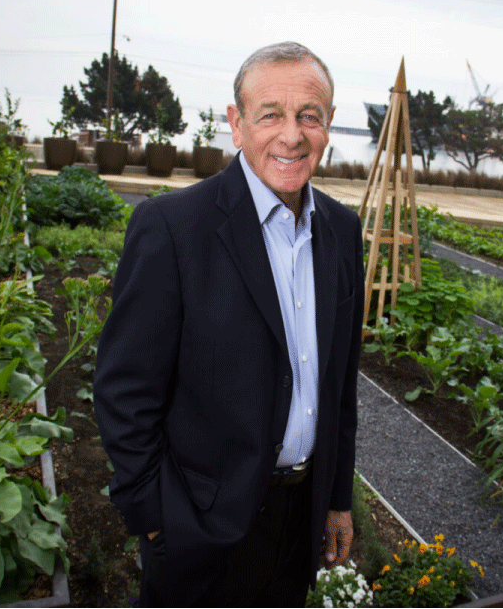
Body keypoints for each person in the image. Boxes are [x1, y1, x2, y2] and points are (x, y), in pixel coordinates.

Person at [93, 41, 364, 608]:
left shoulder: (340, 231)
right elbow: (123, 392)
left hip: (297, 528)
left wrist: (336, 501)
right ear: (236, 125)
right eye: (271, 115)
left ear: (329, 124)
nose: (291, 134)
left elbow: (340, 388)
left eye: (308, 116)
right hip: (199, 530)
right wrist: (155, 519)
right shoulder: (172, 228)